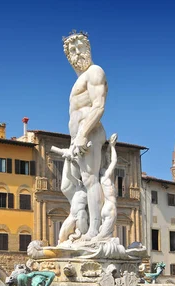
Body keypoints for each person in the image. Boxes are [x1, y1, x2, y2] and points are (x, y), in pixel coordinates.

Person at [62, 31, 108, 240]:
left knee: (90, 179)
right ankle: (82, 219)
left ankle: (94, 229)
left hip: (89, 133)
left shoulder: (95, 72)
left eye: (80, 48)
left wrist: (82, 134)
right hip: (76, 138)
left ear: (88, 49)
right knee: (67, 185)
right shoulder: (78, 80)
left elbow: (98, 106)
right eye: (72, 50)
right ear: (68, 56)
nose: (77, 53)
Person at [94, 133, 118, 241]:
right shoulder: (106, 178)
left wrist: (108, 147)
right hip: (110, 207)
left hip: (104, 209)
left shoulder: (101, 180)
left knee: (103, 237)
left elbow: (108, 160)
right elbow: (113, 162)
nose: (106, 168)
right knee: (104, 238)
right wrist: (113, 146)